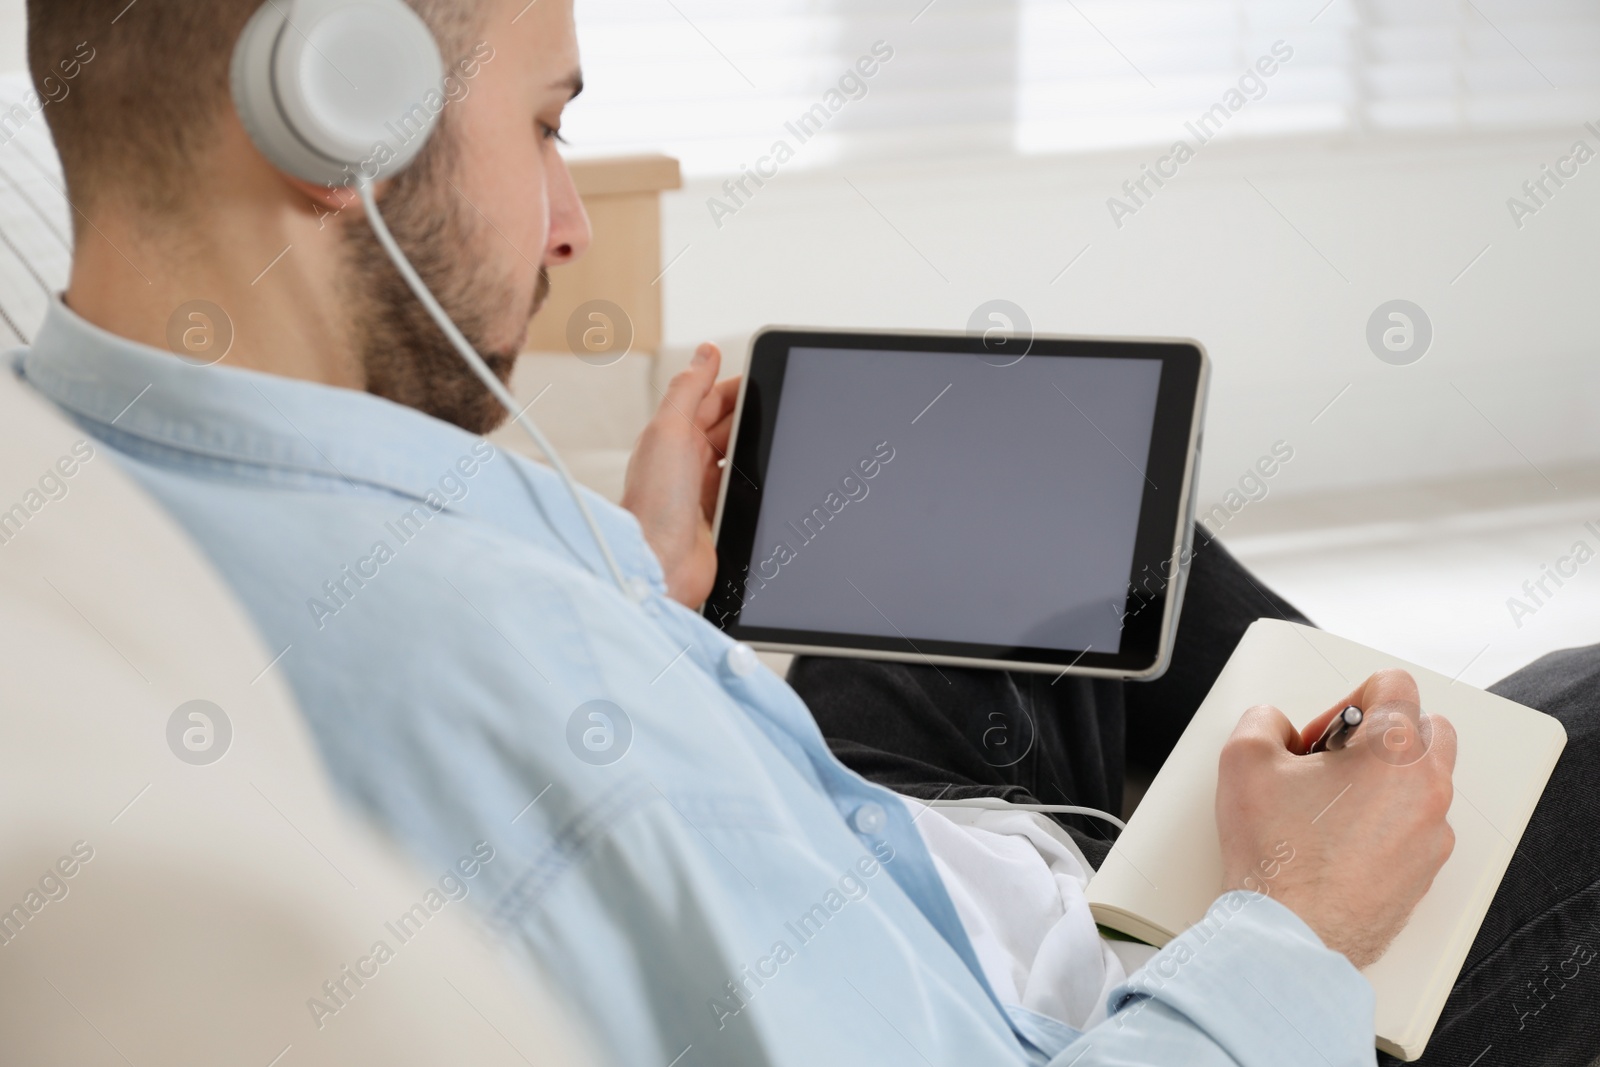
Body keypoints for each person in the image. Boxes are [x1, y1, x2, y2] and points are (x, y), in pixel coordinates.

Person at [14, 1, 1597, 1063]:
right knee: (1573, 716)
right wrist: (1296, 920)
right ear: (333, 116)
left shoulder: (92, 456)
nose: (568, 221)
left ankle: (1382, 772)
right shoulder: (523, 701)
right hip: (1123, 1012)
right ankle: (1406, 815)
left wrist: (656, 603)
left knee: (1104, 552)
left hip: (868, 856)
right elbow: (578, 783)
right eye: (551, 127)